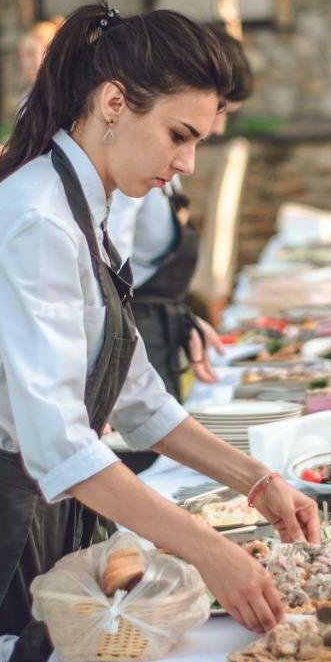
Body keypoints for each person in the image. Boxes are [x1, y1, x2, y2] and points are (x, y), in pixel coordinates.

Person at [0, 1, 319, 662]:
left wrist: (256, 481)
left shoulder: (84, 208)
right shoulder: (39, 220)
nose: (185, 163)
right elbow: (62, 446)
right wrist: (207, 553)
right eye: (178, 135)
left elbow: (136, 395)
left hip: (40, 518)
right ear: (112, 103)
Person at [105, 27, 252, 474]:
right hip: (133, 337)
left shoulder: (157, 157)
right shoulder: (129, 169)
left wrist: (181, 315)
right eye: (221, 110)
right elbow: (114, 268)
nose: (219, 126)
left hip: (152, 334)